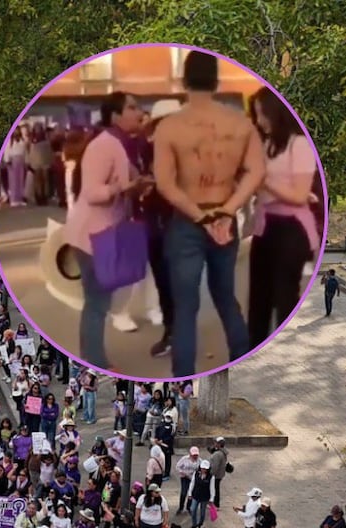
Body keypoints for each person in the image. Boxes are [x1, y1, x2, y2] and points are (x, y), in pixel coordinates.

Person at [153, 50, 265, 377]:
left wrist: (200, 216)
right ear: (216, 82)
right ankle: (244, 367)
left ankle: (183, 380)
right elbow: (256, 171)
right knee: (226, 297)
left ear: (184, 81)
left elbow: (165, 183)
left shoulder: (170, 127)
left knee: (185, 309)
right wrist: (227, 210)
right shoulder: (240, 124)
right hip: (224, 219)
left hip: (188, 221)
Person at [63, 91, 153, 371]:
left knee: (97, 301)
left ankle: (90, 356)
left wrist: (138, 185)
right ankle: (94, 360)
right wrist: (123, 188)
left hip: (101, 233)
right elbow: (93, 193)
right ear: (115, 115)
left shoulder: (121, 144)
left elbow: (126, 181)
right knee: (97, 302)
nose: (139, 112)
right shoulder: (104, 145)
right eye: (132, 107)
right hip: (92, 235)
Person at [246, 85, 320, 348]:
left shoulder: (298, 145)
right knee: (258, 300)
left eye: (261, 114)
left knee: (284, 296)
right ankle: (252, 348)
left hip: (291, 230)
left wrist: (264, 180)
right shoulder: (266, 145)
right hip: (264, 226)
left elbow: (298, 195)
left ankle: (283, 350)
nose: (259, 121)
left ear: (274, 113)